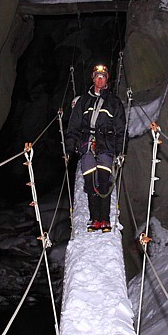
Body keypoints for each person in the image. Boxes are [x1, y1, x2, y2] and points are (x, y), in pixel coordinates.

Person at [65, 64, 126, 232]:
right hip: (86, 144)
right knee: (90, 182)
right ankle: (95, 219)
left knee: (104, 181)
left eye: (103, 76)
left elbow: (121, 129)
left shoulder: (114, 102)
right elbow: (74, 126)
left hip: (106, 144)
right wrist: (69, 150)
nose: (100, 79)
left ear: (107, 80)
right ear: (93, 78)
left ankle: (105, 219)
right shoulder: (83, 101)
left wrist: (120, 151)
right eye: (97, 76)